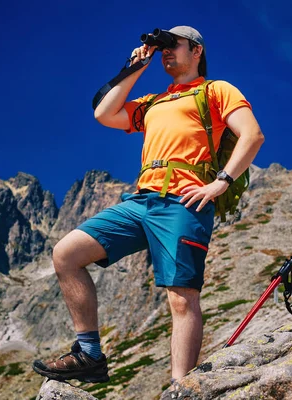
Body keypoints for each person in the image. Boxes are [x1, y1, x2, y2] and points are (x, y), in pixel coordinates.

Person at [32, 26, 265, 384]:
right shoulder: (154, 101)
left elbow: (252, 134)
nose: (166, 52)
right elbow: (104, 114)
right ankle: (90, 354)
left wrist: (220, 183)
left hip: (184, 202)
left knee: (182, 299)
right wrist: (136, 66)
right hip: (141, 200)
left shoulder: (215, 90)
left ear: (197, 51)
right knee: (66, 254)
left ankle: (180, 386)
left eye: (174, 46)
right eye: (163, 48)